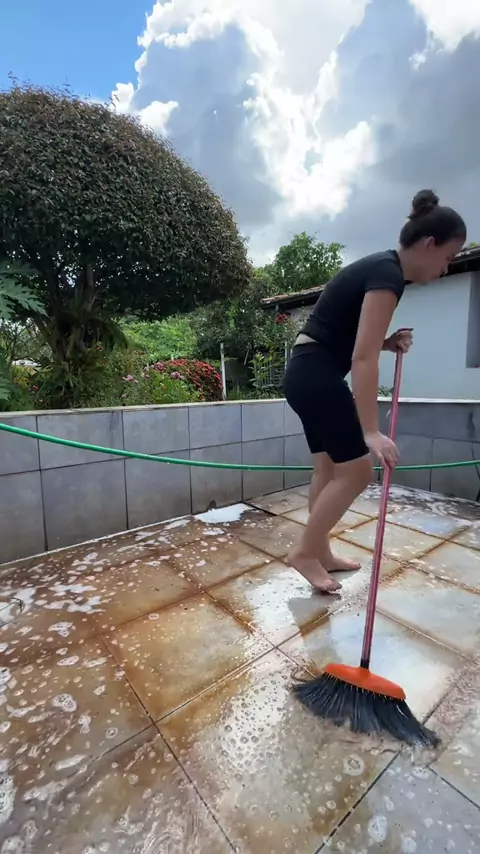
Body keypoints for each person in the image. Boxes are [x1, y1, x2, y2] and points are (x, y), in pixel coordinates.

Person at [283, 189, 467, 593]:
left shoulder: (382, 267)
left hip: (305, 370)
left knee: (327, 469)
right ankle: (305, 552)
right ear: (429, 243)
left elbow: (352, 339)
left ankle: (320, 553)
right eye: (448, 257)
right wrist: (370, 431)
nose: (446, 268)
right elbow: (362, 359)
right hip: (317, 375)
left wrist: (386, 342)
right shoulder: (388, 275)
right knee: (358, 470)